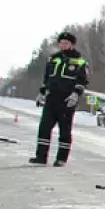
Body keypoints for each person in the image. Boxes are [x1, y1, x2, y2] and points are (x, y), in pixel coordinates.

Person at [29, 31, 90, 167]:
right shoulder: (53, 59)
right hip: (51, 99)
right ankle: (41, 157)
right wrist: (42, 93)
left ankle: (61, 158)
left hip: (67, 100)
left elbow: (83, 81)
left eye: (66, 43)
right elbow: (47, 79)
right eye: (61, 43)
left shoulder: (80, 62)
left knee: (65, 130)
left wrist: (75, 94)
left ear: (72, 45)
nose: (63, 45)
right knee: (44, 128)